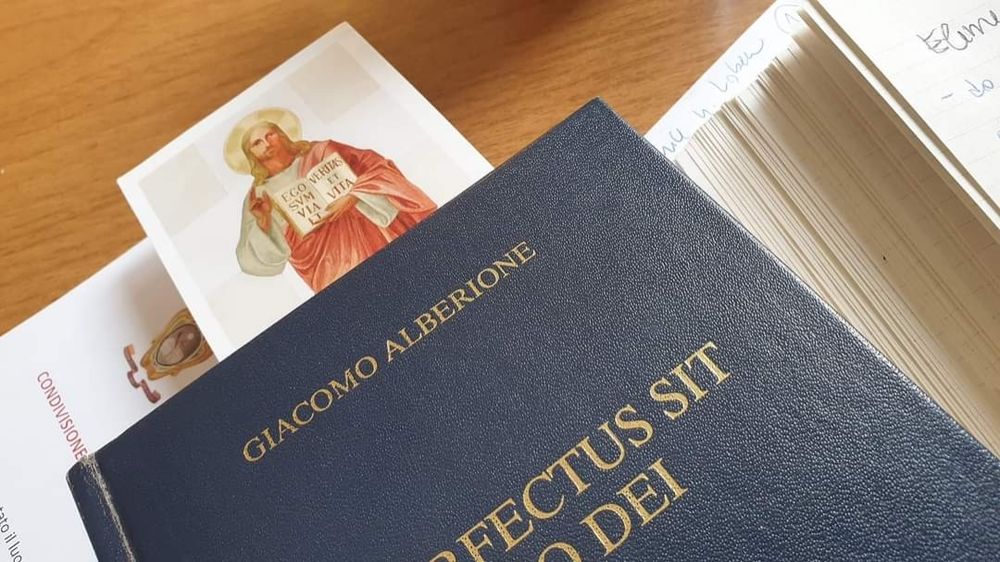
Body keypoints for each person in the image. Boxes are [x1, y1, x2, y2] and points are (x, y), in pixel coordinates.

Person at [228, 109, 437, 292]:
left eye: (270, 134)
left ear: (281, 134)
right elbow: (253, 260)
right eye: (257, 143)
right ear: (251, 154)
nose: (266, 143)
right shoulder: (258, 194)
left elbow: (377, 166)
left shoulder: (321, 151)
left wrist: (354, 196)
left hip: (368, 232)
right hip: (327, 264)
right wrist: (264, 222)